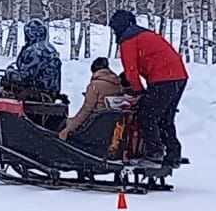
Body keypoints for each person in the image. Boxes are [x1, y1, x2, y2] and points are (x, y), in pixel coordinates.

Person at [108, 9, 188, 165]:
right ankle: (173, 153)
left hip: (163, 79)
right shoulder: (144, 34)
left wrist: (138, 92)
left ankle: (154, 152)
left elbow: (131, 70)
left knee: (146, 116)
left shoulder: (128, 40)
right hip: (179, 76)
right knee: (165, 118)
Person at [58, 57, 124, 141]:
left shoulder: (94, 86)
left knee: (65, 125)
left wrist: (68, 129)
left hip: (96, 126)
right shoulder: (118, 85)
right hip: (111, 126)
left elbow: (86, 111)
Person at [1, 19, 62, 96]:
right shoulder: (50, 48)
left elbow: (24, 77)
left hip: (37, 92)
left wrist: (9, 72)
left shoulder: (33, 51)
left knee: (5, 83)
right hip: (52, 92)